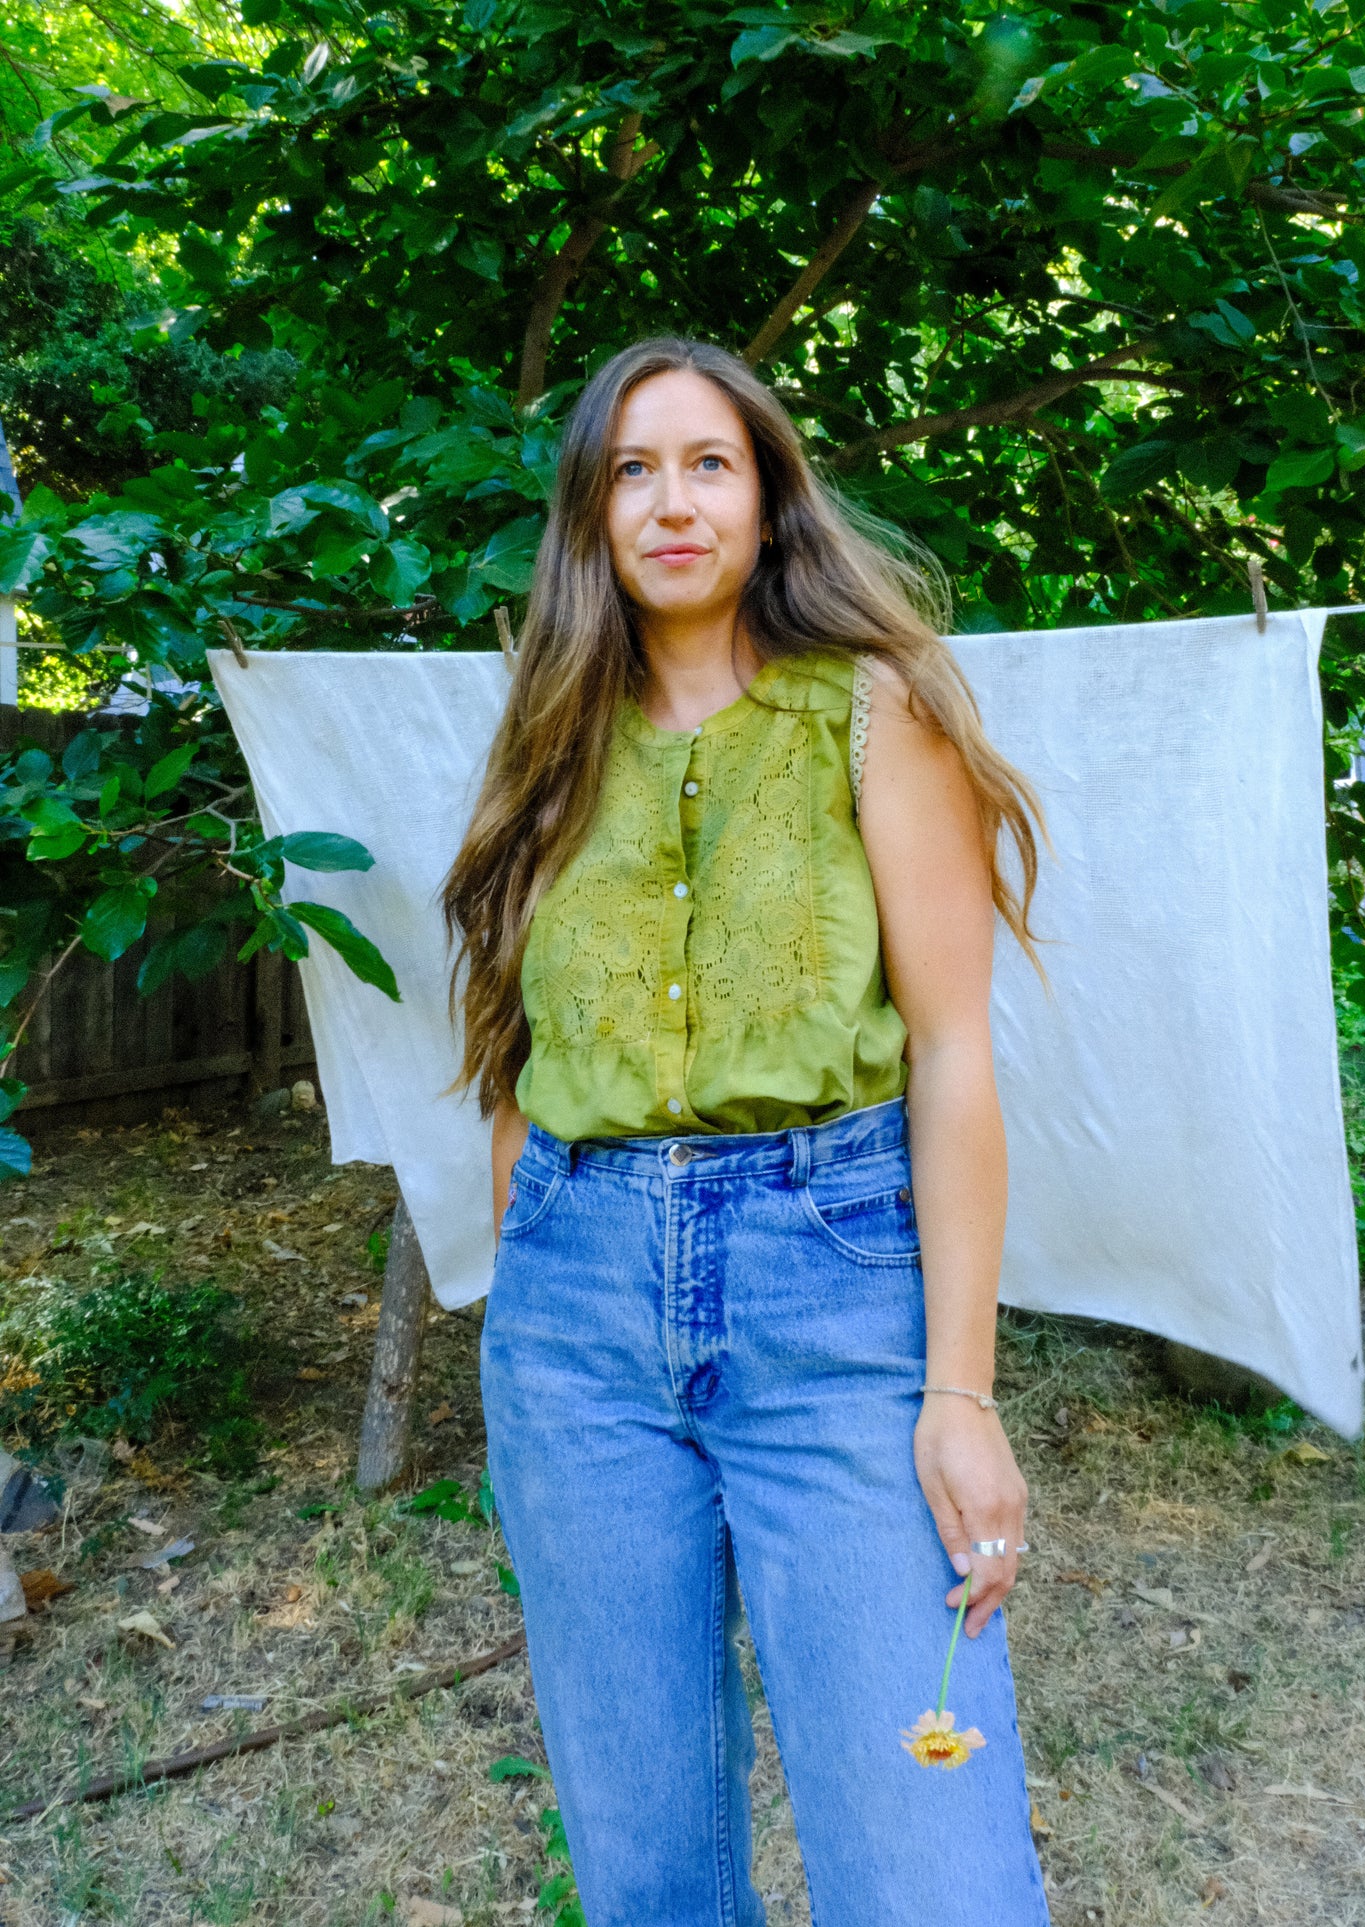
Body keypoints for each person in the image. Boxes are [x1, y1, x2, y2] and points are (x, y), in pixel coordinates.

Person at [443, 336, 1050, 1927]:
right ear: (591, 516)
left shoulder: (872, 712)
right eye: (631, 469)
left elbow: (949, 1051)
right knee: (645, 1860)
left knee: (932, 1870)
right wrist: (537, 1269)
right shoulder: (548, 740)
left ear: (769, 500)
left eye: (708, 462)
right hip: (575, 1320)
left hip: (830, 1282)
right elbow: (513, 1047)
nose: (671, 500)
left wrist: (961, 1390)